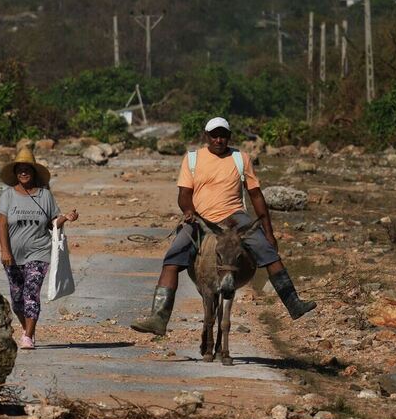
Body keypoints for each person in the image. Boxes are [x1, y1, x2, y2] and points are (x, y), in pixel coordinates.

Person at [131, 117, 316, 336]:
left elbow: (255, 195)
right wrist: (189, 212)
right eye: (214, 135)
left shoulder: (241, 158)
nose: (219, 140)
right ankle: (159, 318)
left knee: (267, 251)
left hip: (235, 217)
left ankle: (293, 303)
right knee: (173, 257)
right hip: (201, 218)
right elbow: (184, 195)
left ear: (229, 137)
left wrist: (269, 231)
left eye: (223, 135)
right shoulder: (192, 159)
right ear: (206, 136)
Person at [0, 148, 79, 349]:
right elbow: (1, 225)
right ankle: (28, 329)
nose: (23, 173)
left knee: (31, 292)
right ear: (15, 173)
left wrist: (65, 218)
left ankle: (27, 336)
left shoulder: (45, 196)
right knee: (17, 299)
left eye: (27, 170)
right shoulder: (7, 196)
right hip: (14, 256)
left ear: (34, 173)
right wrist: (5, 251)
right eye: (20, 170)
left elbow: (52, 223)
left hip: (39, 252)